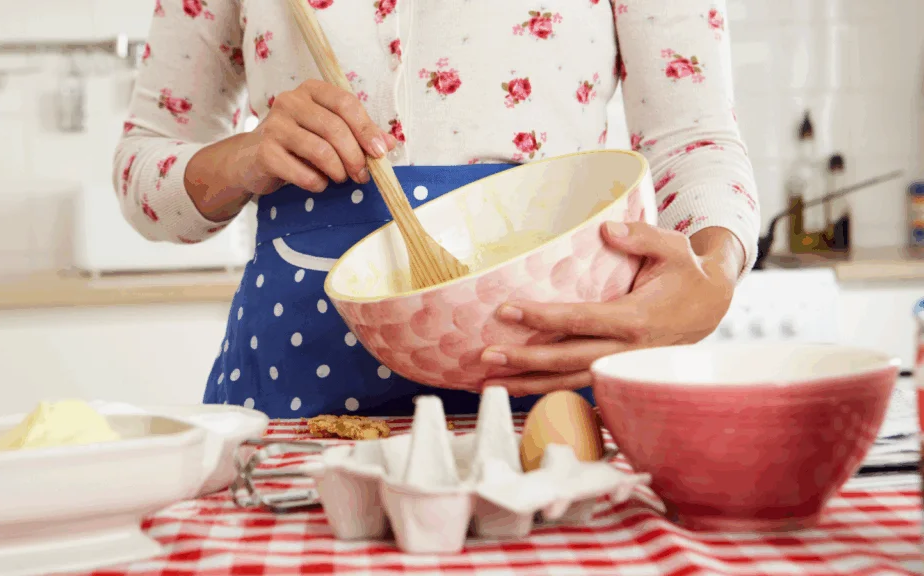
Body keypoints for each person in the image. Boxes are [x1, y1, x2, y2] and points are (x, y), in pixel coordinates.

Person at [114, 0, 758, 418]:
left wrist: (713, 277)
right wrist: (245, 157)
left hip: (550, 387)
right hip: (294, 406)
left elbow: (693, 141)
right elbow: (143, 167)